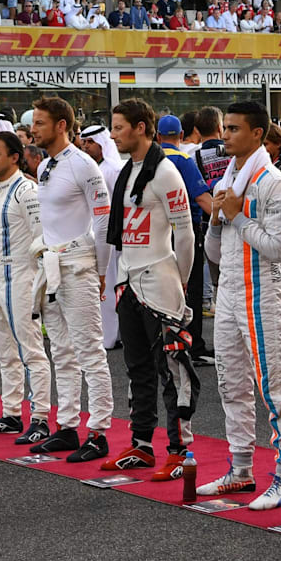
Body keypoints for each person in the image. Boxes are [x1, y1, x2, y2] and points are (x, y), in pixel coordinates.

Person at [199, 102, 281, 509]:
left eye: (234, 129)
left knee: (275, 387)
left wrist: (236, 218)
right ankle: (240, 468)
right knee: (231, 382)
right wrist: (220, 219)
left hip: (262, 293)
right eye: (225, 127)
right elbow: (216, 247)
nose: (225, 135)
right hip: (228, 290)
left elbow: (278, 248)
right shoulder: (231, 173)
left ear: (258, 134)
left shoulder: (275, 182)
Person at [102, 99, 199, 477]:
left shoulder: (166, 172)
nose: (113, 135)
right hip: (128, 280)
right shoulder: (129, 171)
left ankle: (180, 451)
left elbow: (186, 232)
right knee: (136, 368)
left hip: (160, 280)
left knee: (172, 371)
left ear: (141, 127)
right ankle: (142, 444)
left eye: (119, 127)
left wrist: (182, 280)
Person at [26, 97, 115, 462]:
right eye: (34, 122)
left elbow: (105, 220)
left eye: (41, 123)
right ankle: (66, 426)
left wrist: (100, 271)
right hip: (51, 263)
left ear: (62, 125)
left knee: (89, 351)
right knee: (60, 351)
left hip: (78, 263)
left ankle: (98, 432)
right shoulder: (47, 163)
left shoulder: (83, 165)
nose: (33, 129)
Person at [0, 132, 54, 439]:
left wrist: (42, 283)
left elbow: (42, 237)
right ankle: (11, 414)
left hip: (22, 278)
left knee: (32, 351)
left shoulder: (27, 191)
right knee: (5, 352)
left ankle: (41, 417)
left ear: (14, 157)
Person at [155, 115, 215, 362]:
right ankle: (193, 345)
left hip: (157, 232)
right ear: (181, 136)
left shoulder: (152, 159)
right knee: (189, 284)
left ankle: (164, 341)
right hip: (186, 227)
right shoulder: (183, 159)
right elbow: (201, 196)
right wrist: (225, 218)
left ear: (158, 136)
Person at [78, 123, 123, 350]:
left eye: (91, 142)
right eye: (83, 142)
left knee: (111, 285)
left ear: (102, 144)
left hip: (113, 239)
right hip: (94, 235)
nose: (86, 146)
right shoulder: (92, 169)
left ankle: (111, 337)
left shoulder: (113, 169)